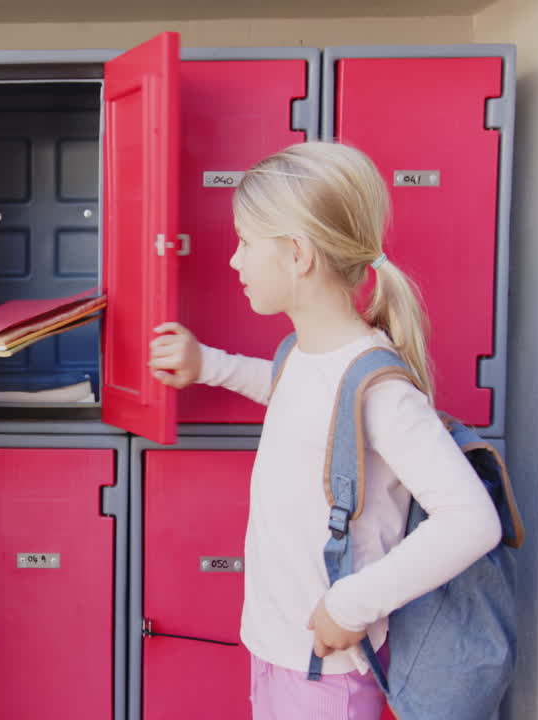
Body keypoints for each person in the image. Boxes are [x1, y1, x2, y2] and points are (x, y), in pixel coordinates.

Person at [148, 142, 501, 719]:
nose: (233, 261)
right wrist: (207, 364)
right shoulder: (307, 356)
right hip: (280, 651)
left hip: (324, 674)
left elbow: (471, 519)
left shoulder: (379, 388)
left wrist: (349, 605)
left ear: (296, 254)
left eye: (244, 242)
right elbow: (293, 392)